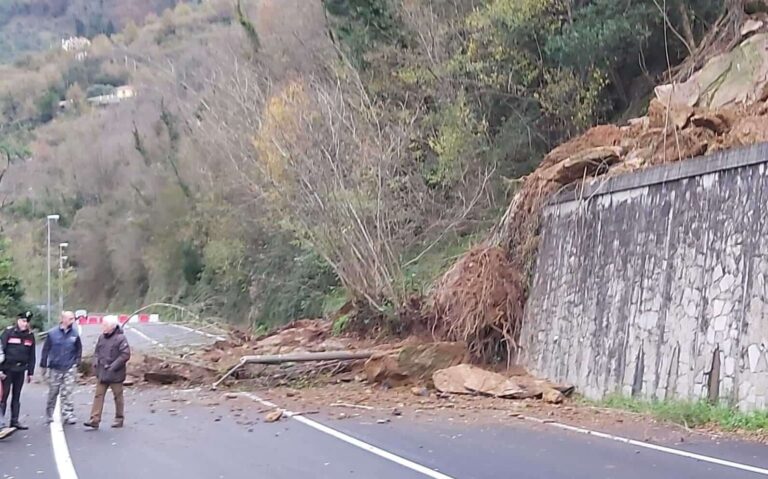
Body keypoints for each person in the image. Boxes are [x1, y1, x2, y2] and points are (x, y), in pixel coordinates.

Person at [84, 315, 130, 429]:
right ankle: (94, 419)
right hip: (102, 373)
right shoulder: (101, 337)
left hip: (116, 374)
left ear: (112, 326)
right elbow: (97, 352)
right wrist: (95, 362)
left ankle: (119, 418)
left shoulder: (121, 338)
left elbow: (125, 355)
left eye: (105, 325)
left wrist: (113, 366)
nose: (102, 327)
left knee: (118, 397)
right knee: (98, 395)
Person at [40, 311, 82, 425]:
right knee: (53, 392)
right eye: (70, 319)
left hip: (69, 367)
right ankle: (49, 413)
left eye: (73, 319)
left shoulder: (75, 333)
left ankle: (68, 414)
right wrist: (43, 365)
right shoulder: (52, 333)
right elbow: (45, 350)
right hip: (55, 367)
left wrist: (77, 362)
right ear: (63, 319)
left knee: (68, 392)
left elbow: (78, 348)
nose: (73, 321)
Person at [0, 311, 36, 430]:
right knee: (3, 396)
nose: (25, 324)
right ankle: (1, 423)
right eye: (23, 321)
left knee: (16, 396)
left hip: (20, 370)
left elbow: (32, 355)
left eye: (27, 322)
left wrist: (30, 372)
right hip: (7, 370)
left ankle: (14, 421)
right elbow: (1, 351)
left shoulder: (30, 336)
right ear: (18, 320)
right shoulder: (8, 332)